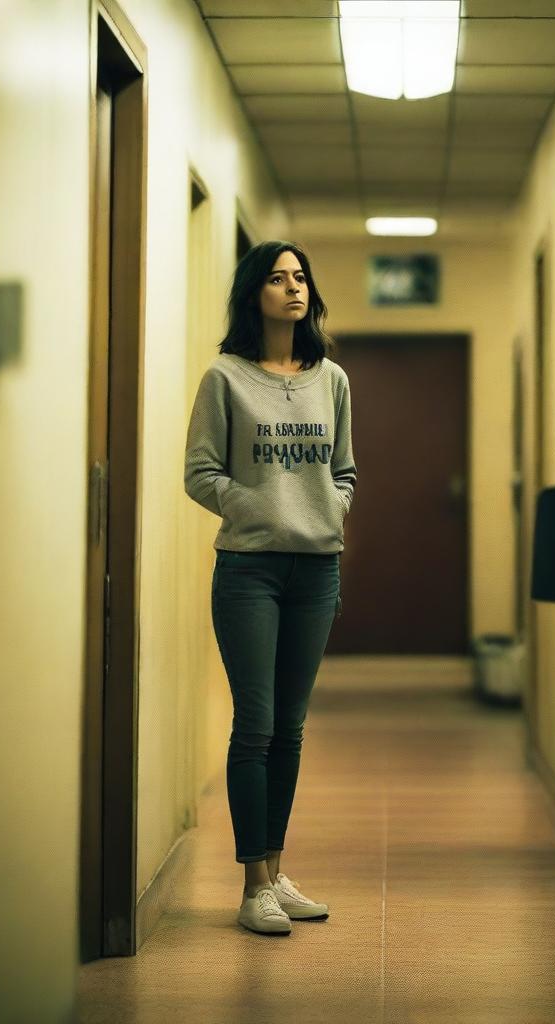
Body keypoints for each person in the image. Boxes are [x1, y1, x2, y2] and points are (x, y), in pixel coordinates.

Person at [184, 240, 356, 936]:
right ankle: (251, 883)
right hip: (249, 571)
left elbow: (345, 470)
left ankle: (277, 872)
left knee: (290, 726)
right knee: (254, 725)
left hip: (316, 570)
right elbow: (200, 474)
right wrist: (257, 508)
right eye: (279, 278)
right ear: (254, 292)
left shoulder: (331, 379)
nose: (293, 287)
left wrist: (328, 509)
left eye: (301, 276)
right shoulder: (224, 379)